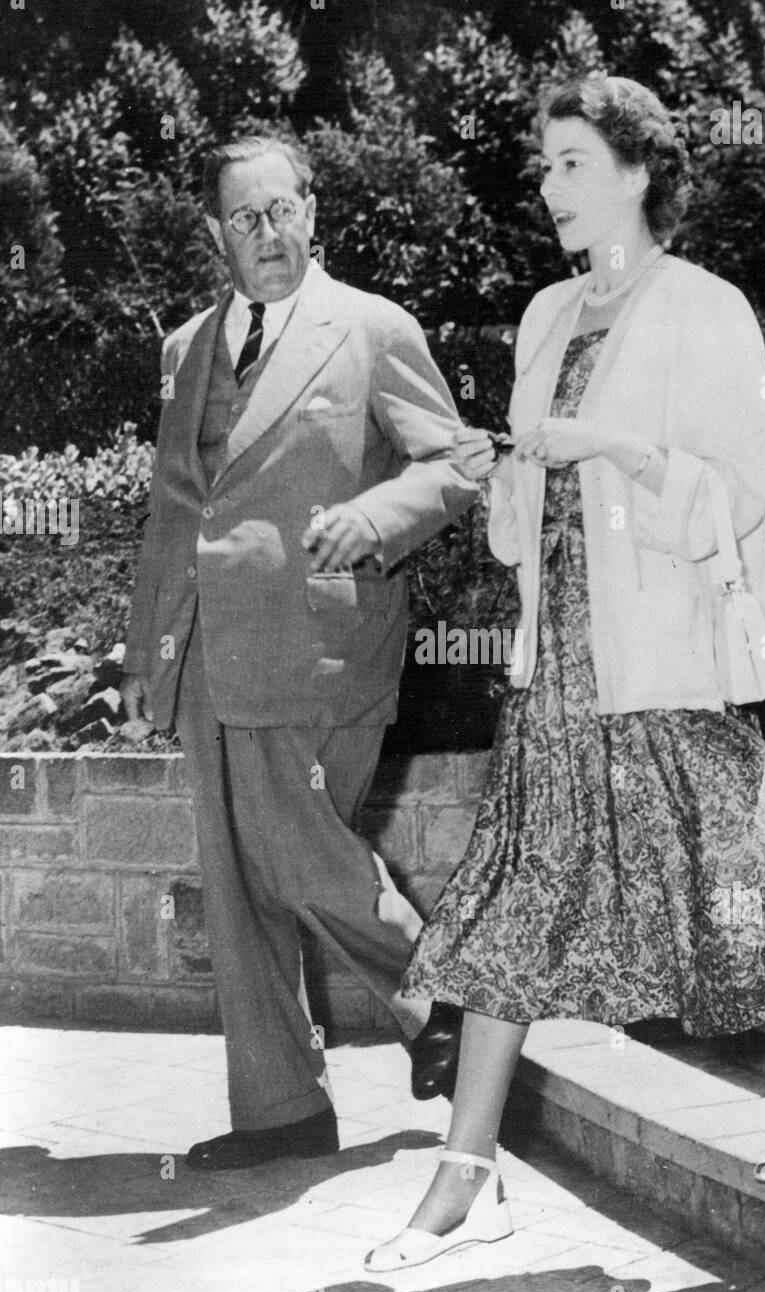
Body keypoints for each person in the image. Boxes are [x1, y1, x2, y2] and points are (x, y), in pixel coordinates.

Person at [365, 74, 765, 1271]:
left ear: (637, 171)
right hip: (552, 663)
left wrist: (605, 444)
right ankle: (466, 1176)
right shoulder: (545, 316)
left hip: (660, 660)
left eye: (568, 162)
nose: (547, 186)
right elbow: (523, 530)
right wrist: (500, 466)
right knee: (508, 897)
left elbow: (737, 495)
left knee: (722, 883)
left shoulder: (704, 308)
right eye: (544, 164)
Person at [120, 135, 468, 1170]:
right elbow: (174, 509)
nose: (268, 235)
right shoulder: (187, 346)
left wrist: (374, 515)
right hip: (207, 650)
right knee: (234, 884)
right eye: (244, 218)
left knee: (290, 843)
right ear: (213, 235)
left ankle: (435, 995)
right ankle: (281, 1108)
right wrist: (146, 654)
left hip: (323, 637)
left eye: (284, 211)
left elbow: (454, 460)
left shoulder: (370, 327)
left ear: (312, 213)